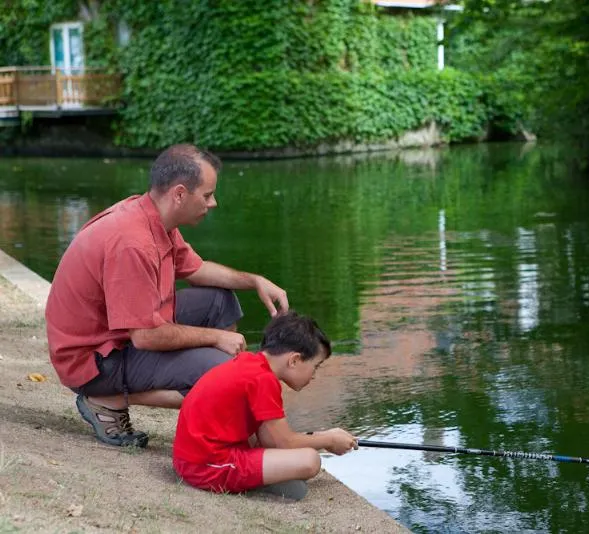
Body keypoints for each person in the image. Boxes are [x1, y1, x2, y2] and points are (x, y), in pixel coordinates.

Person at [45, 144, 289, 449]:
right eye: (207, 195)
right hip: (93, 360)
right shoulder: (133, 243)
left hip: (117, 335)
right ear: (179, 194)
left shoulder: (152, 216)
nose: (213, 203)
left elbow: (196, 269)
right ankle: (106, 399)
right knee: (217, 368)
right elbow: (146, 337)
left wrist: (255, 281)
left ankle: (227, 399)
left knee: (219, 300)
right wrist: (214, 338)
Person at [172, 311, 357, 497]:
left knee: (294, 468)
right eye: (315, 366)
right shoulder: (264, 380)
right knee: (310, 460)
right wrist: (328, 440)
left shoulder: (250, 363)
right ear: (294, 360)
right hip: (206, 466)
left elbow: (269, 440)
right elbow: (284, 442)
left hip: (190, 460)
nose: (314, 375)